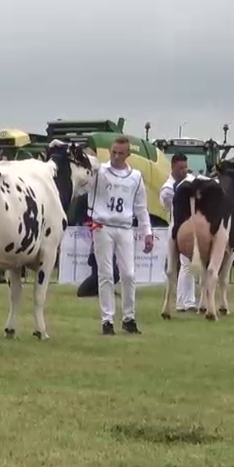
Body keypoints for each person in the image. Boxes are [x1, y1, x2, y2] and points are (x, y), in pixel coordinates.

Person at [79, 135, 154, 335]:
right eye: (114, 152)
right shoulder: (100, 172)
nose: (116, 156)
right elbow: (84, 185)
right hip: (102, 225)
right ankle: (107, 320)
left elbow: (141, 207)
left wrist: (147, 231)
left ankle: (129, 317)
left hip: (125, 227)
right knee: (105, 274)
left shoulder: (135, 177)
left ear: (128, 154)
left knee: (128, 274)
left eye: (121, 153)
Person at [158, 153, 197, 312]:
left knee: (189, 264)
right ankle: (182, 301)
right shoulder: (167, 188)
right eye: (180, 168)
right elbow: (167, 206)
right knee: (176, 266)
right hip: (176, 226)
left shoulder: (192, 181)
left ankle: (188, 301)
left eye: (185, 167)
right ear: (173, 167)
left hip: (192, 226)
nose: (184, 171)